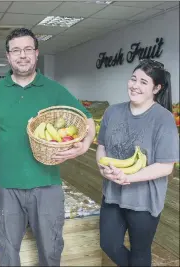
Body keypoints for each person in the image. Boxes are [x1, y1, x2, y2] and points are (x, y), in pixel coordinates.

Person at [0, 28, 96, 266]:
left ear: (36, 53)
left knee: (51, 249)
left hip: (47, 185)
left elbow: (86, 119)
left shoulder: (53, 89)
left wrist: (84, 146)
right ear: (8, 56)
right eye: (15, 50)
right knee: (7, 250)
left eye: (27, 49)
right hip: (6, 187)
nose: (22, 55)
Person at [96, 59, 179, 266]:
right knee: (109, 244)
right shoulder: (112, 112)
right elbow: (102, 147)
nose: (135, 85)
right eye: (133, 79)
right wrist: (102, 168)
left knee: (140, 253)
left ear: (157, 88)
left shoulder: (164, 119)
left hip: (144, 201)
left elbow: (166, 166)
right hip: (113, 194)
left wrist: (129, 177)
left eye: (143, 82)